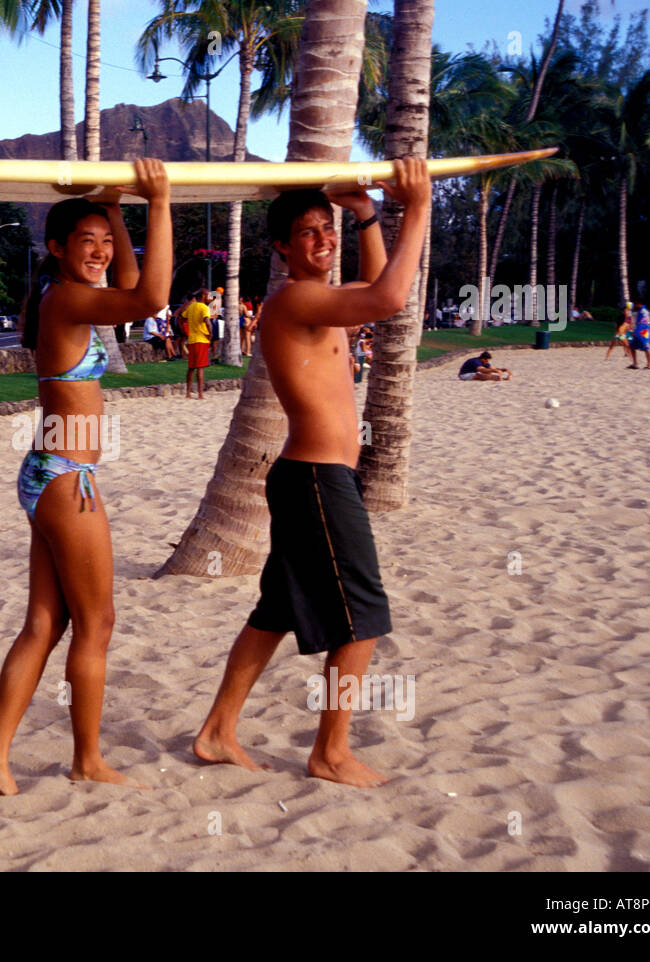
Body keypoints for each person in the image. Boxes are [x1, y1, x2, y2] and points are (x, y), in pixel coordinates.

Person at [192, 158, 431, 787]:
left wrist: (367, 216)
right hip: (317, 482)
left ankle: (216, 732)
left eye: (328, 228)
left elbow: (372, 289)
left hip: (314, 480)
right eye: (307, 232)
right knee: (364, 615)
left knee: (276, 610)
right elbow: (390, 298)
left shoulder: (322, 301)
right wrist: (418, 207)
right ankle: (330, 751)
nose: (323, 239)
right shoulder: (296, 298)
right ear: (282, 247)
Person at [0, 159, 172, 796]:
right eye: (88, 242)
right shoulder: (67, 298)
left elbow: (131, 283)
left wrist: (113, 211)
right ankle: (87, 759)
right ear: (57, 247)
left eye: (106, 242)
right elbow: (152, 298)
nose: (102, 252)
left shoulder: (65, 296)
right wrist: (158, 202)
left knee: (45, 623)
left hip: (51, 471)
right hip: (65, 478)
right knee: (97, 622)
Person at [183, 288, 213, 398]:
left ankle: (188, 392)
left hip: (192, 340)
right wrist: (210, 334)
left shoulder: (191, 307)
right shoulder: (204, 308)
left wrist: (185, 331)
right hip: (202, 340)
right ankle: (200, 394)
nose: (211, 298)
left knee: (191, 367)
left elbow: (182, 318)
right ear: (203, 296)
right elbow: (207, 322)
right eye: (209, 295)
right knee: (200, 367)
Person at [628, 302, 650, 369]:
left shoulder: (644, 311)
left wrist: (637, 332)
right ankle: (635, 364)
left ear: (639, 304)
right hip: (640, 330)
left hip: (644, 331)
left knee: (646, 348)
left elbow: (645, 322)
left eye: (636, 304)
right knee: (632, 346)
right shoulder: (641, 311)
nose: (635, 306)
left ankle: (649, 364)